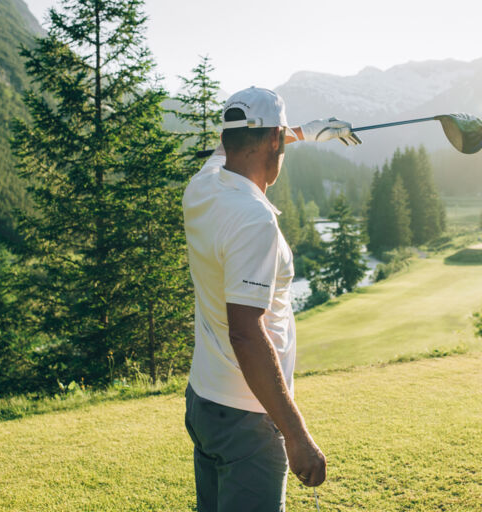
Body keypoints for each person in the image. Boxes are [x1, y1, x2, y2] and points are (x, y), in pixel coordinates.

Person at [182, 86, 360, 511]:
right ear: (275, 140)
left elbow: (233, 148)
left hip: (205, 401)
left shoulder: (201, 187)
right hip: (248, 416)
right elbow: (245, 332)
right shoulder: (254, 219)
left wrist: (303, 132)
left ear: (226, 139)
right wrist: (297, 437)